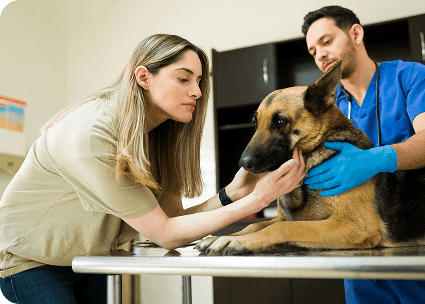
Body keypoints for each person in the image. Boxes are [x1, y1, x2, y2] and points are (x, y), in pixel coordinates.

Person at [0, 34, 306, 303]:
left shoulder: (157, 136)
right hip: (30, 260)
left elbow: (172, 221)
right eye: (184, 79)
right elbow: (166, 235)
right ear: (144, 77)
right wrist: (257, 200)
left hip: (86, 257)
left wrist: (232, 194)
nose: (197, 92)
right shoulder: (92, 134)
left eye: (199, 81)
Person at [301, 6, 425, 304]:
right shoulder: (326, 110)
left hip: (420, 245)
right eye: (312, 50)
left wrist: (376, 159)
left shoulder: (411, 76)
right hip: (359, 252)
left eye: (326, 41)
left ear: (355, 34)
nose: (319, 54)